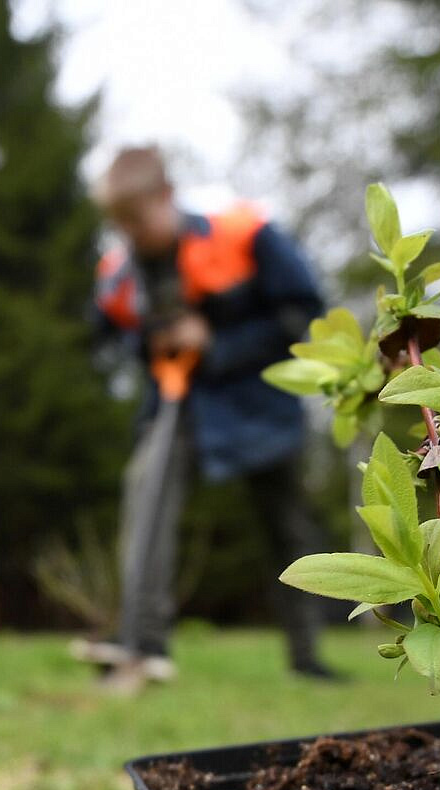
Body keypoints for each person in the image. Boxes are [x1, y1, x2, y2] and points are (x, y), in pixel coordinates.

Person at [77, 147, 339, 690]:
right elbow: (107, 332)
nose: (130, 234)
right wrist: (146, 342)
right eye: (119, 224)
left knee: (286, 528)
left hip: (261, 405)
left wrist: (214, 341)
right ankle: (142, 644)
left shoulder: (245, 236)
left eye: (137, 219)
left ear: (166, 196)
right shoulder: (120, 273)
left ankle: (307, 657)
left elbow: (302, 314)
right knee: (145, 498)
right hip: (178, 404)